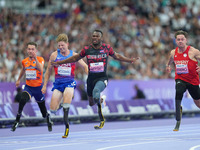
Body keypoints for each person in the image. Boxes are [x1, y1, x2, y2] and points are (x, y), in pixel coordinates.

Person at [51, 29, 139, 130]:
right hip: (90, 79)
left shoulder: (107, 48)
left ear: (101, 38)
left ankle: (101, 119)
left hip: (102, 78)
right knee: (91, 103)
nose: (95, 38)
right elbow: (75, 58)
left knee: (96, 91)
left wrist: (129, 60)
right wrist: (60, 62)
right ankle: (101, 100)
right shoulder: (87, 49)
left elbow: (117, 56)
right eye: (93, 36)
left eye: (97, 36)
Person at [41, 33, 88, 138]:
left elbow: (84, 65)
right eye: (59, 46)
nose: (61, 47)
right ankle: (63, 102)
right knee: (53, 110)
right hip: (58, 84)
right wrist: (44, 85)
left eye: (63, 45)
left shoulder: (74, 55)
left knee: (66, 103)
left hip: (69, 82)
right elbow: (48, 71)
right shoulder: (54, 55)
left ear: (67, 44)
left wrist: (89, 74)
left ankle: (66, 128)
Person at [11, 42, 53, 132]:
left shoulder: (40, 59)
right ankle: (17, 120)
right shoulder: (24, 61)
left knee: (43, 113)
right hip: (28, 87)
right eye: (29, 49)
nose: (31, 51)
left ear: (36, 50)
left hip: (38, 89)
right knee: (22, 100)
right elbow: (23, 69)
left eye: (32, 49)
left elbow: (40, 69)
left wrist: (35, 58)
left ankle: (48, 117)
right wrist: (18, 79)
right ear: (27, 50)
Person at [166, 30, 200, 131]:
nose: (180, 41)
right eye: (178, 39)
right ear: (175, 41)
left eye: (182, 39)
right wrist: (168, 66)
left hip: (193, 81)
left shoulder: (193, 51)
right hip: (180, 78)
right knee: (179, 90)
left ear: (186, 40)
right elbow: (170, 60)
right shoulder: (173, 52)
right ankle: (177, 118)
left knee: (197, 102)